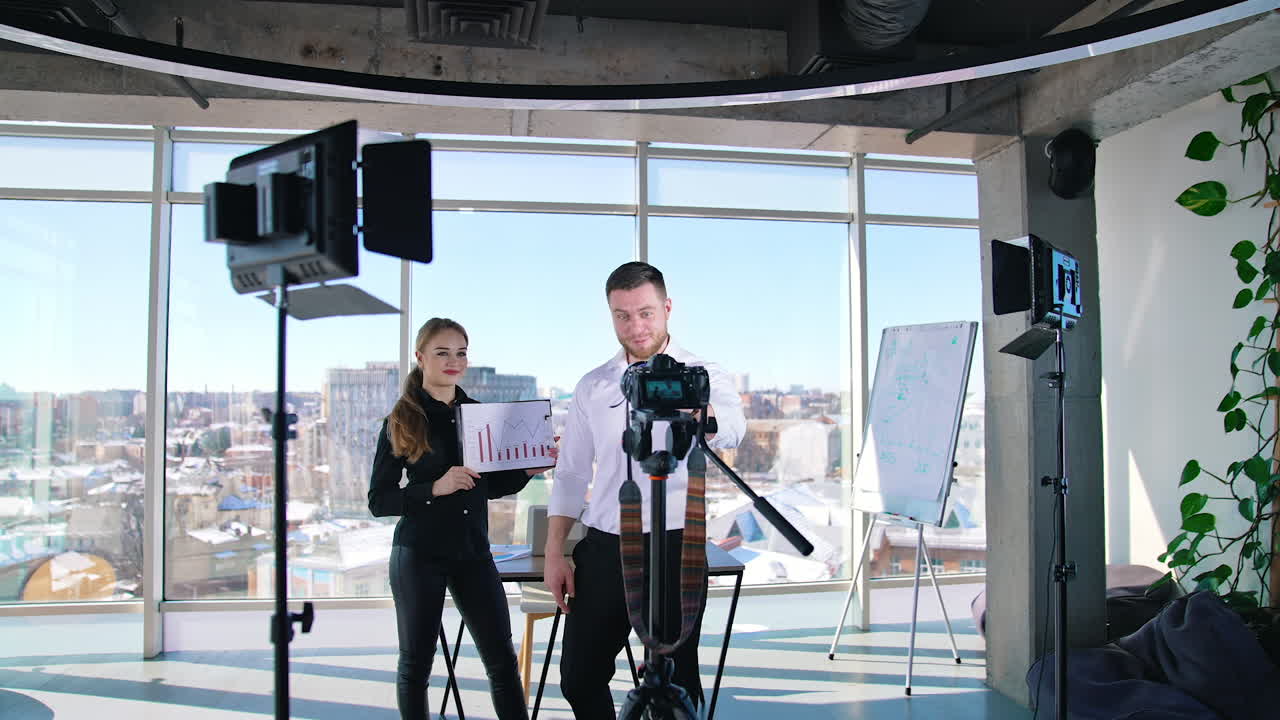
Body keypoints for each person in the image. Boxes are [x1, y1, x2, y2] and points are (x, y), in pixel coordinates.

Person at [544, 262, 745, 718]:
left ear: (667, 308)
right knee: (579, 676)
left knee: (677, 683)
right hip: (605, 545)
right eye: (623, 315)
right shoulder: (593, 385)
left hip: (676, 543)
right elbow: (572, 473)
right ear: (611, 315)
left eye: (646, 313)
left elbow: (733, 427)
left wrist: (700, 412)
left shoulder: (702, 374)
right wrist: (556, 551)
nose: (636, 326)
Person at [369, 317, 554, 720]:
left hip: (474, 552)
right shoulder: (400, 419)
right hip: (418, 554)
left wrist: (528, 469)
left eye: (461, 353)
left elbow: (494, 485)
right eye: (442, 352)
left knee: (502, 661)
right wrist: (435, 486)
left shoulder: (480, 415)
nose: (454, 361)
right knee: (416, 665)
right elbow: (379, 501)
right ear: (420, 358)